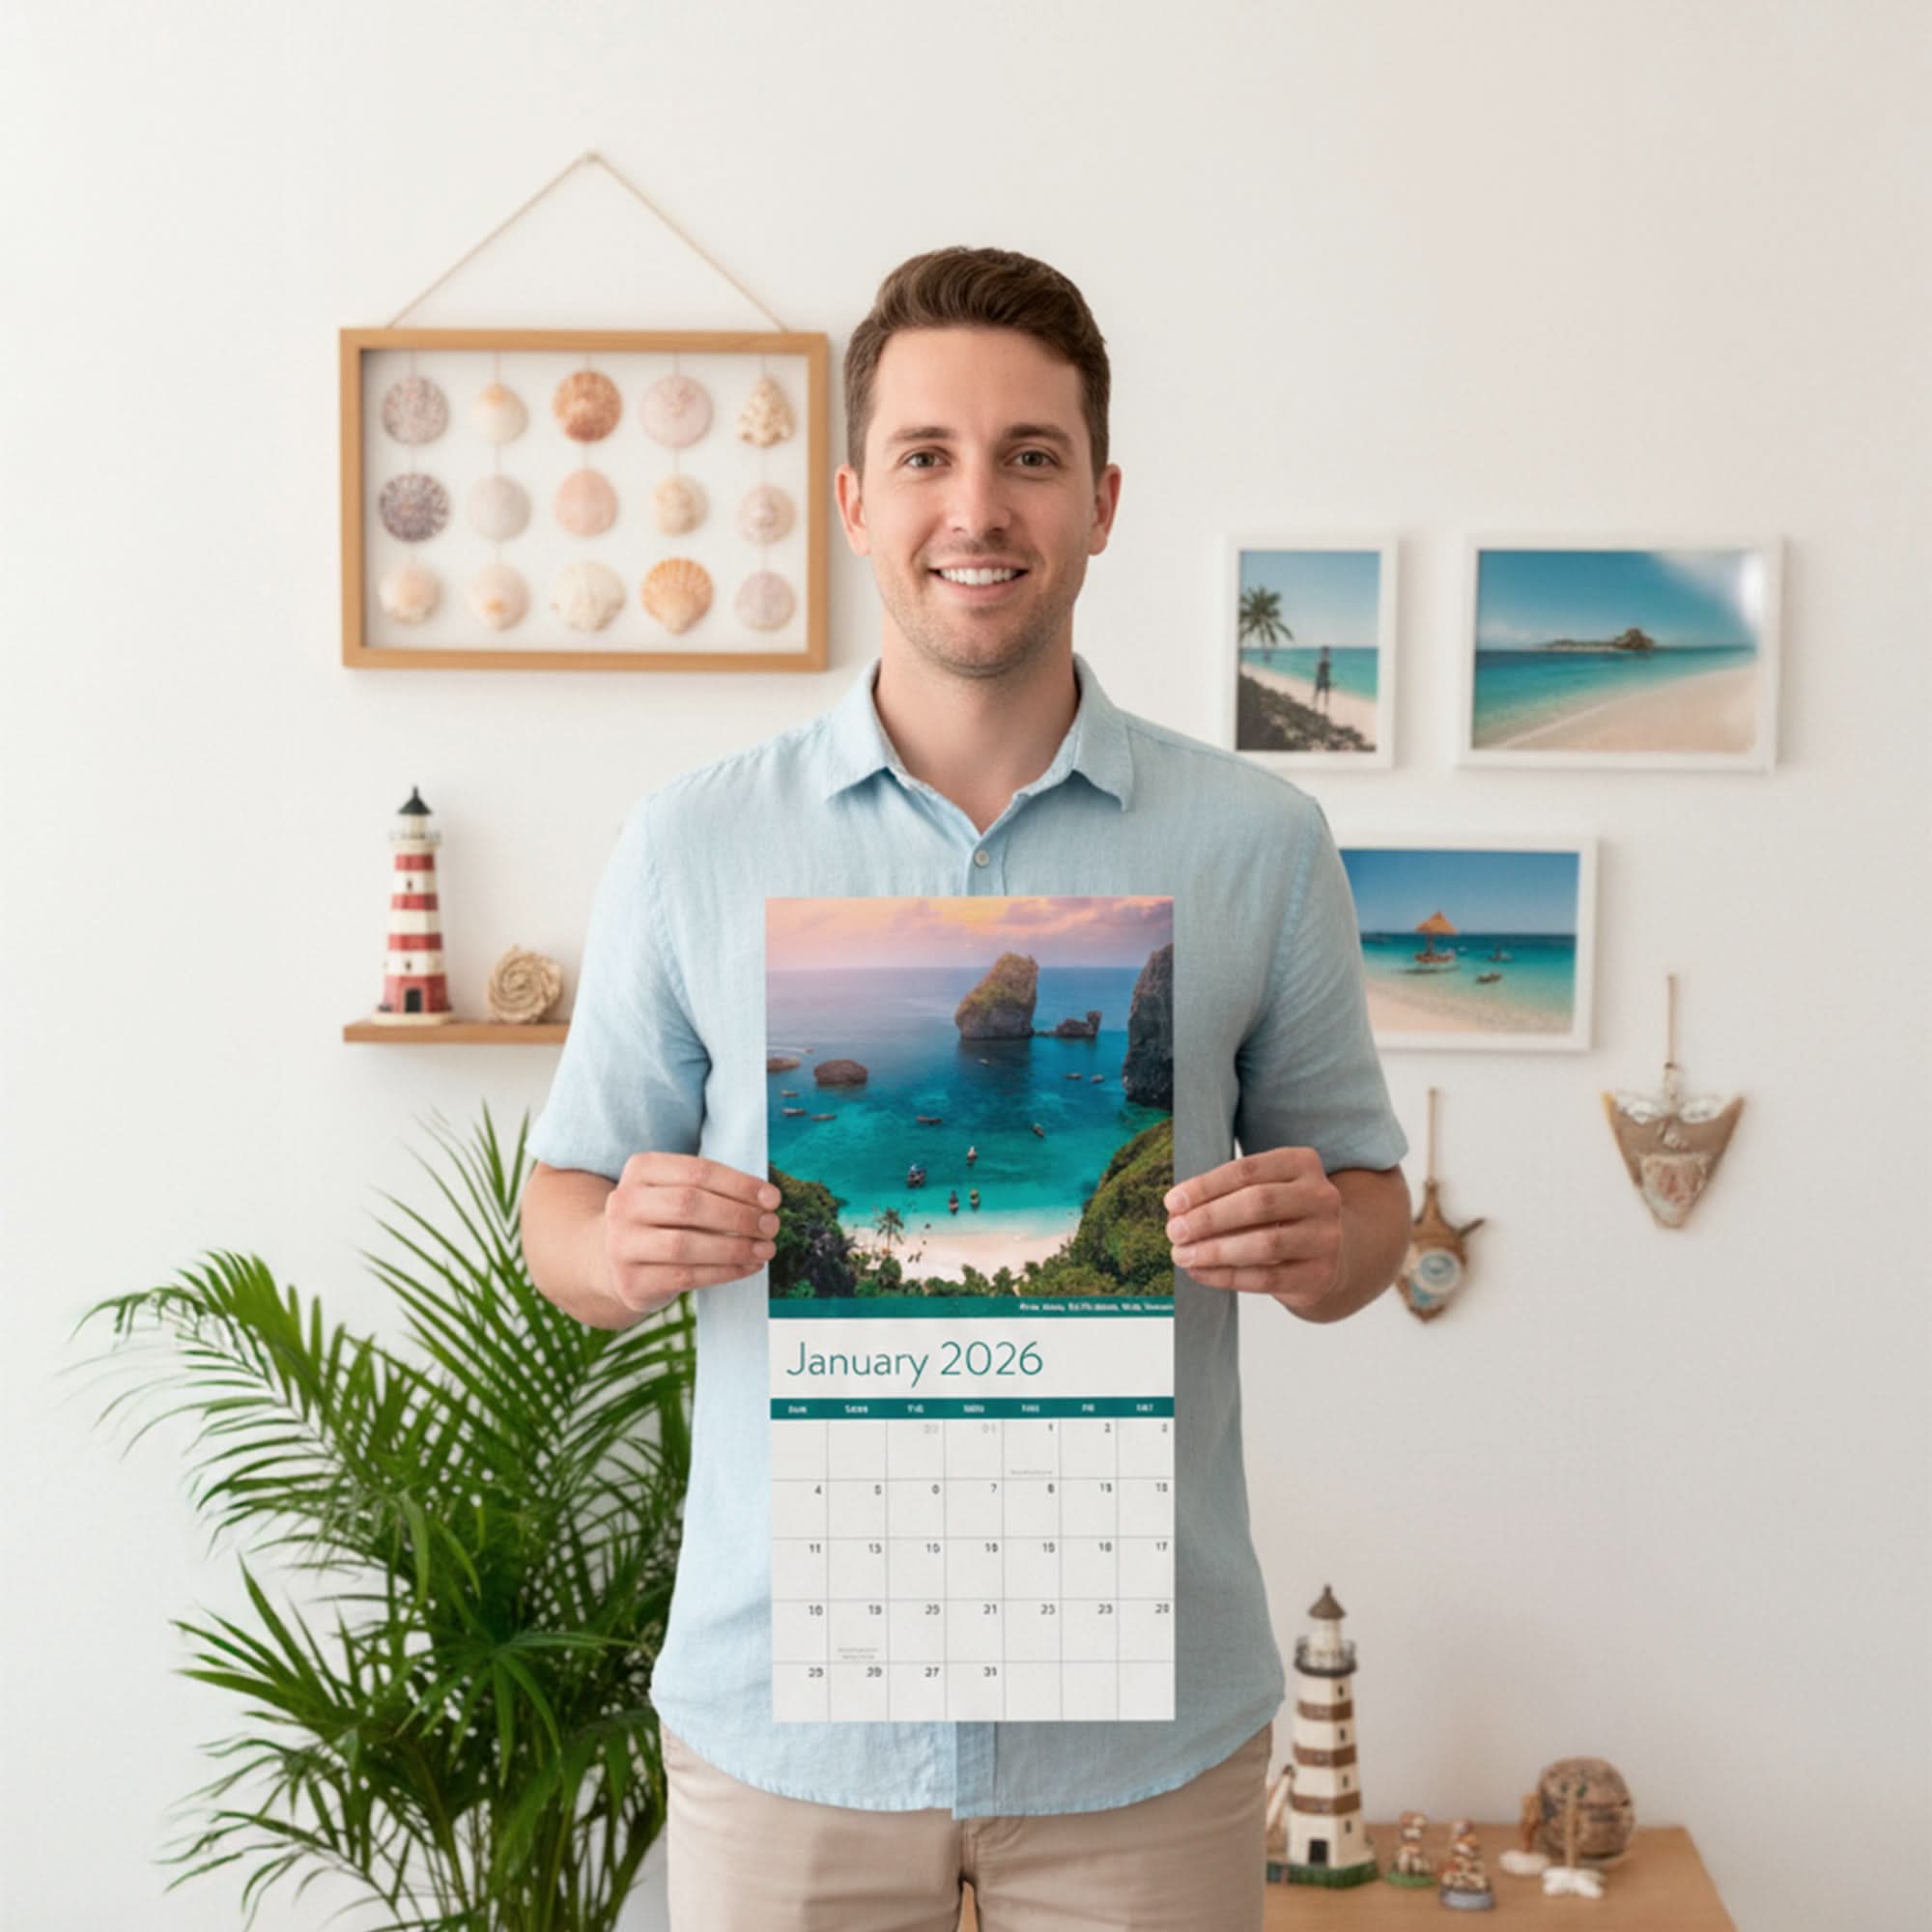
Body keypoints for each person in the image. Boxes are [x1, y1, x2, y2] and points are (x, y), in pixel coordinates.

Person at [520, 246, 1411, 1932]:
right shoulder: (693, 839)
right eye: (926, 454)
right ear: (856, 501)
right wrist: (618, 1248)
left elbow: (1372, 1206)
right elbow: (556, 1212)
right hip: (788, 1734)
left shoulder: (1259, 844)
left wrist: (1328, 1246)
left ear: (1103, 501)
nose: (977, 507)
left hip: (1144, 1742)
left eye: (1031, 456)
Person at [1314, 644, 1333, 715]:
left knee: (1324, 694)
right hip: (1321, 679)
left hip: (1324, 679)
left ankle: (1324, 710)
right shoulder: (1322, 661)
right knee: (1319, 694)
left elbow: (1326, 671)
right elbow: (1319, 670)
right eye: (1326, 651)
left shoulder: (1325, 660)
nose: (1327, 653)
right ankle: (1317, 707)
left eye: (1327, 651)